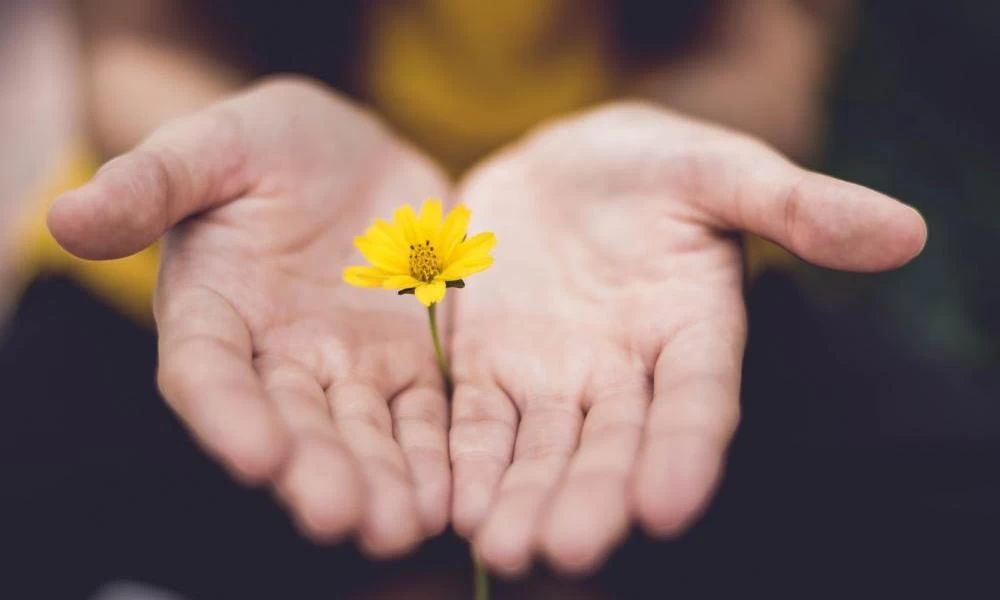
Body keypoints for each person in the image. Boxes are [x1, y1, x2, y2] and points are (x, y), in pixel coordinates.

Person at [7, 0, 935, 592]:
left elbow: (769, 43)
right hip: (244, 271)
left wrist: (670, 143)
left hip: (638, 279)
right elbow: (133, 37)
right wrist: (210, 145)